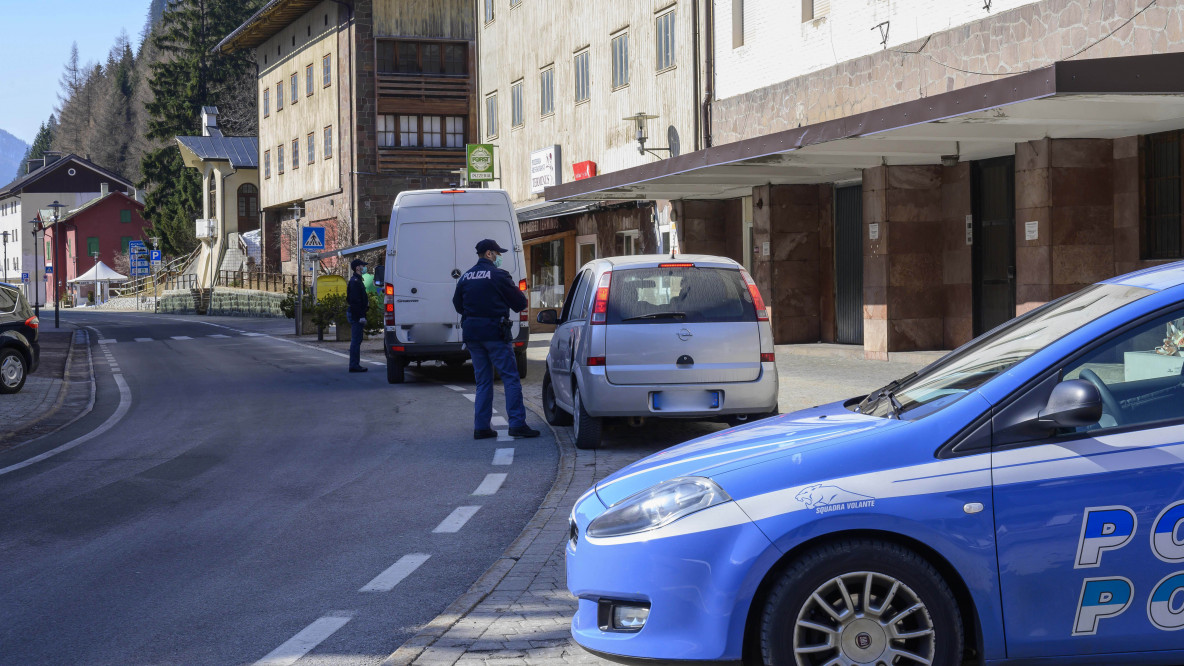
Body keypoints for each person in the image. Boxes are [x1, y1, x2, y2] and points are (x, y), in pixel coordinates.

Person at [452, 239, 540, 440]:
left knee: (483, 381)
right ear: (489, 254)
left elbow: (457, 305)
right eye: (498, 254)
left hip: (472, 334)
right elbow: (519, 303)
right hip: (495, 333)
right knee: (510, 377)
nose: (500, 257)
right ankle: (517, 424)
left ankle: (481, 427)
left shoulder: (466, 277)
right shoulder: (499, 275)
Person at [346, 258, 369, 373]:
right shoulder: (355, 282)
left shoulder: (357, 280)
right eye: (362, 266)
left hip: (357, 313)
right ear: (357, 268)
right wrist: (361, 316)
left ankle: (355, 364)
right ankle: (354, 365)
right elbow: (355, 301)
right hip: (356, 315)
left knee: (357, 340)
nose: (364, 267)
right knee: (356, 340)